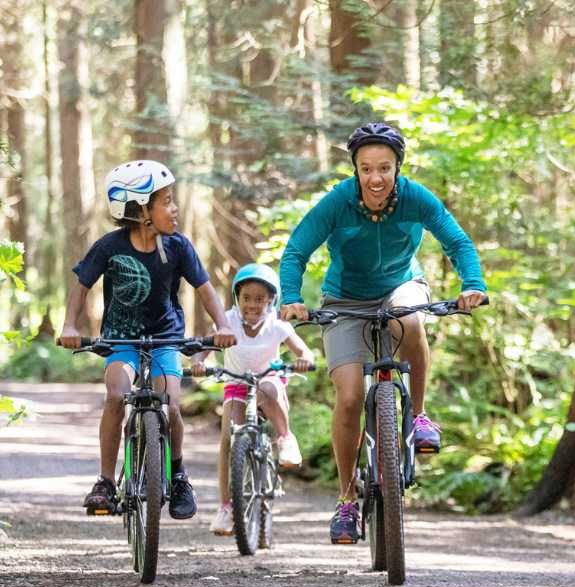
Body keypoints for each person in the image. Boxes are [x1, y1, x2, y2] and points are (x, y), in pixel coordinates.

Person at [278, 122, 487, 544]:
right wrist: (292, 297)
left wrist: (473, 284)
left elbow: (457, 242)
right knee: (351, 395)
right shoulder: (338, 202)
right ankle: (346, 500)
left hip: (400, 288)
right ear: (355, 169)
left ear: (397, 169)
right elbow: (298, 249)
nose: (376, 178)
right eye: (367, 168)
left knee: (409, 318)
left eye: (385, 168)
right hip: (344, 300)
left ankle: (420, 415)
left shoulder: (414, 198)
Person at [57, 159, 237, 520]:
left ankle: (179, 473)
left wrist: (222, 325)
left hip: (165, 338)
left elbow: (205, 289)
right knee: (115, 394)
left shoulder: (178, 247)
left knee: (170, 403)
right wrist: (70, 326)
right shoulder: (109, 247)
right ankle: (106, 481)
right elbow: (81, 286)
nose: (174, 208)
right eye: (166, 201)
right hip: (120, 340)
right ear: (141, 210)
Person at [191, 263, 315, 536]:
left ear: (271, 300)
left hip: (268, 381)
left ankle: (285, 438)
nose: (252, 304)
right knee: (228, 437)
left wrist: (304, 359)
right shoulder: (228, 321)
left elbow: (303, 350)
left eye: (260, 299)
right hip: (236, 383)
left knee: (269, 390)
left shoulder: (277, 325)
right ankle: (227, 508)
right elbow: (205, 347)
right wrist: (199, 362)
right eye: (246, 298)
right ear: (238, 298)